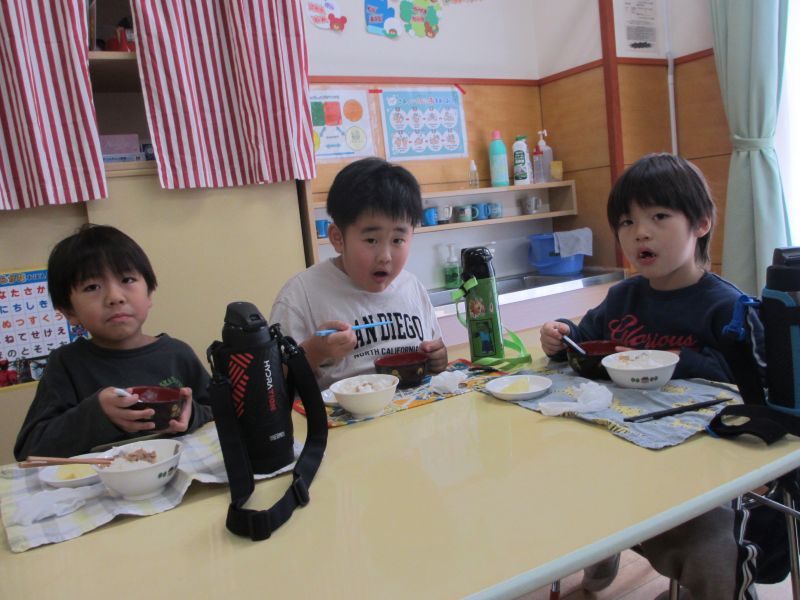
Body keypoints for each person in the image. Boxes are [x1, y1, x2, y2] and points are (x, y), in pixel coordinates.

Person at [540, 153, 759, 599]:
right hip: (621, 452)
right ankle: (600, 558)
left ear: (701, 223)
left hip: (701, 468)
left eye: (659, 216)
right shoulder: (623, 297)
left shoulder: (727, 307)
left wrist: (672, 358)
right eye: (626, 222)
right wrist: (561, 336)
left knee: (710, 549)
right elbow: (585, 341)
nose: (640, 232)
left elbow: (748, 377)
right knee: (569, 486)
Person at [14, 225, 213, 459]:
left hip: (183, 474)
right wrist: (97, 414)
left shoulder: (177, 354)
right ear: (69, 311)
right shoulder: (66, 363)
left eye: (127, 279)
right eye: (92, 287)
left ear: (149, 294)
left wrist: (191, 415)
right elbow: (29, 450)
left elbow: (222, 413)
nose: (115, 297)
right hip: (103, 480)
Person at [270, 157, 447, 391]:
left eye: (398, 240)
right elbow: (271, 385)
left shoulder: (412, 287)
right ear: (338, 238)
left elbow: (434, 348)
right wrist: (314, 351)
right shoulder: (300, 295)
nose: (385, 256)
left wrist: (437, 358)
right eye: (371, 240)